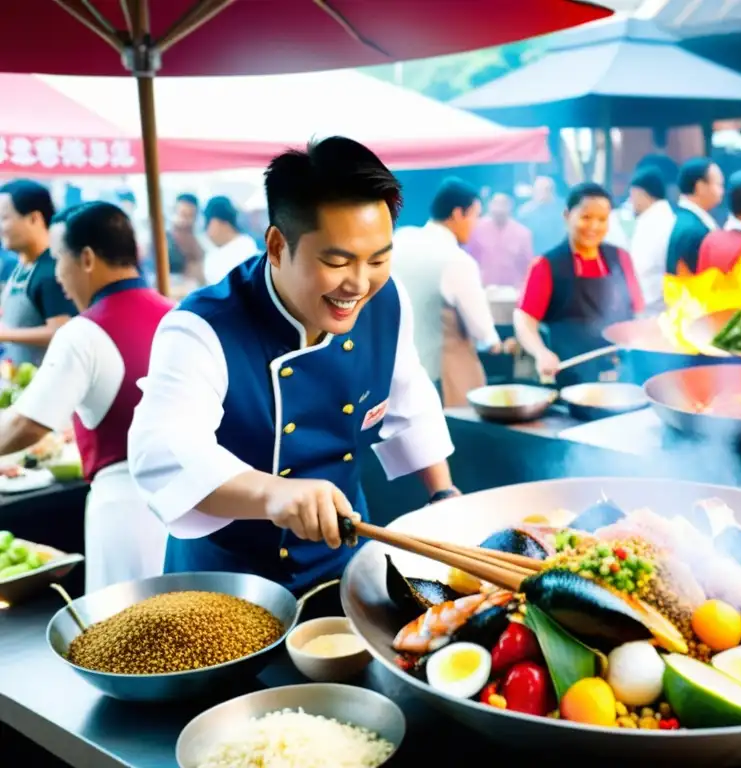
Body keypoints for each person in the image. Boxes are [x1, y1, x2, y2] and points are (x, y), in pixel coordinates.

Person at [128, 137, 458, 594]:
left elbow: (410, 396)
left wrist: (443, 495)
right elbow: (162, 451)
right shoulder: (200, 328)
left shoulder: (385, 301)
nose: (359, 284)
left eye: (378, 259)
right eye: (337, 261)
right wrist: (274, 493)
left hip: (343, 559)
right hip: (227, 584)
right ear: (279, 245)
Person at [0, 202, 171, 592]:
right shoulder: (178, 314)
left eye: (59, 259)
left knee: (125, 635)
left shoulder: (83, 333)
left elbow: (25, 423)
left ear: (88, 258)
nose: (59, 276)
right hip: (191, 505)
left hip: (125, 511)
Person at [514, 182, 645, 386]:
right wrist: (541, 353)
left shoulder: (621, 257)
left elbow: (637, 313)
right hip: (570, 377)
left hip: (621, 376)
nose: (594, 226)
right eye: (586, 217)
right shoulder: (546, 265)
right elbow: (524, 319)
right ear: (567, 216)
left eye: (602, 219)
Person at [391, 178, 504, 407]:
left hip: (394, 371)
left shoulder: (400, 240)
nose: (477, 224)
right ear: (458, 213)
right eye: (475, 215)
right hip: (440, 378)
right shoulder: (456, 260)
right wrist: (496, 343)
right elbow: (482, 330)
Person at [0, 180, 77, 366]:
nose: (1, 228)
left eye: (4, 218)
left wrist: (5, 334)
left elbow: (61, 329)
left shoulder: (54, 271)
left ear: (34, 218)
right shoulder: (22, 266)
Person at [665, 158, 725, 276]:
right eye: (719, 185)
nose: (722, 192)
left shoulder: (684, 219)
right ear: (700, 187)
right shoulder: (693, 230)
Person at [626, 168, 676, 309]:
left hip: (651, 302)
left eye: (632, 196)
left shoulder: (654, 222)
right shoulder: (662, 217)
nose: (631, 202)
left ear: (642, 194)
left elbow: (640, 267)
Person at [465, 192, 534, 288]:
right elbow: (469, 259)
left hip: (512, 291)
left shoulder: (523, 233)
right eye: (496, 204)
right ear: (490, 205)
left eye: (503, 204)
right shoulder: (476, 229)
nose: (499, 209)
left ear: (510, 207)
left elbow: (527, 266)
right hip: (483, 288)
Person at [201, 195, 259, 285]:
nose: (207, 233)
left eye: (208, 224)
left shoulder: (245, 249)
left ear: (218, 222)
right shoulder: (214, 252)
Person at [518, 176, 565, 254]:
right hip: (534, 254)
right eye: (539, 190)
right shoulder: (525, 212)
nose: (543, 193)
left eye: (548, 190)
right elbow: (521, 238)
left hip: (558, 254)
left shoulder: (562, 209)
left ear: (553, 191)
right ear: (534, 191)